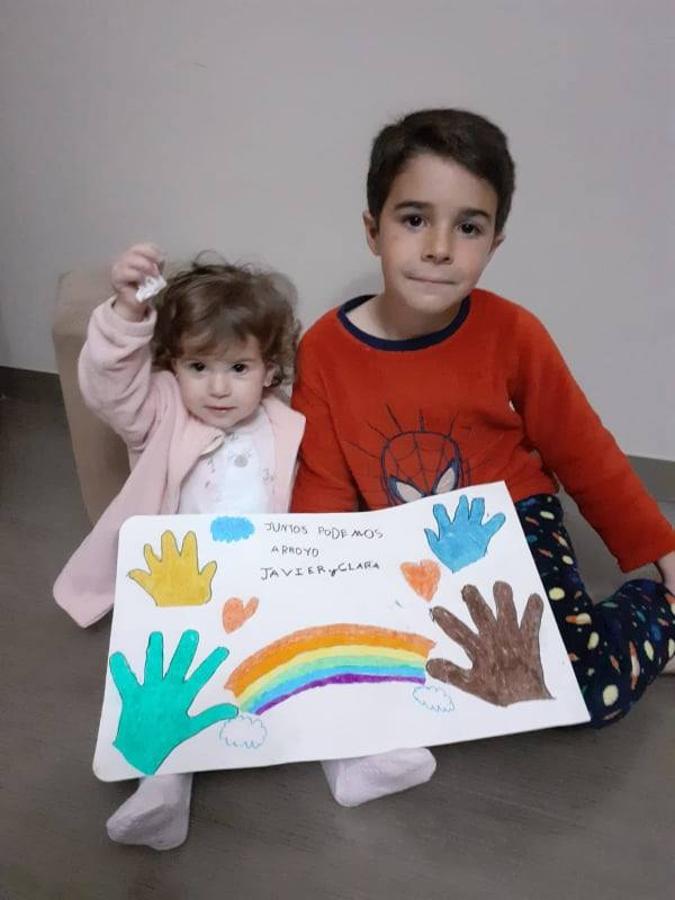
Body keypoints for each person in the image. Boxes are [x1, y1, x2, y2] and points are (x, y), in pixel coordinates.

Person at [291, 108, 675, 808]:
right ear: (372, 229)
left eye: (466, 227)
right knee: (408, 679)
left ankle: (656, 615)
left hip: (513, 524)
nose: (439, 247)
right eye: (414, 219)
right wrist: (311, 584)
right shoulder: (321, 347)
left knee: (585, 693)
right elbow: (321, 478)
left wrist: (663, 553)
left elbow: (582, 451)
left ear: (493, 242)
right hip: (399, 545)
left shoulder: (513, 332)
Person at [54, 243, 305, 849]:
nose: (218, 387)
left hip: (261, 579)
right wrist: (124, 311)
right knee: (169, 677)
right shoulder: (161, 410)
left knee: (296, 669)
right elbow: (109, 388)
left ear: (269, 370)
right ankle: (163, 787)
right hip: (179, 585)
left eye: (238, 369)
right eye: (199, 367)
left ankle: (357, 758)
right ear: (172, 367)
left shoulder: (284, 419)